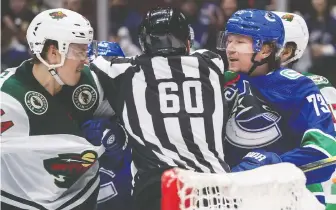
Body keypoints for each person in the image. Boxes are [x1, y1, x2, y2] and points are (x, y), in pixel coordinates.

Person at [89, 7, 230, 210]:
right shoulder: (211, 63)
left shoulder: (124, 72)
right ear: (187, 41)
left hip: (159, 189)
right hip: (215, 188)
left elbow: (96, 63)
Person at [0, 8, 126, 209]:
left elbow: (137, 107)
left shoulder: (88, 83)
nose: (85, 59)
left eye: (86, 50)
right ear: (52, 53)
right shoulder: (8, 98)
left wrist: (118, 131)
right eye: (79, 51)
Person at [218, 9, 336, 192]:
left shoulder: (299, 86)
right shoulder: (221, 80)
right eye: (229, 40)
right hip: (229, 193)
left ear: (266, 49)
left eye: (240, 41)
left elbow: (326, 153)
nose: (230, 48)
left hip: (288, 196)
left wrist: (275, 165)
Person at [273, 11, 336, 208]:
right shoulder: (235, 82)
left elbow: (328, 151)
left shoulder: (318, 87)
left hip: (304, 188)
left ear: (287, 51)